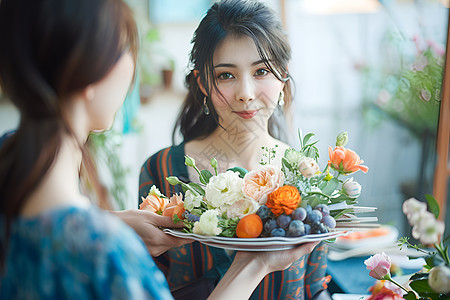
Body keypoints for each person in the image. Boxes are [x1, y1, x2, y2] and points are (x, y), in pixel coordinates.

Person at [0, 0, 319, 299]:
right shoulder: (111, 247)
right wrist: (255, 264)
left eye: (261, 70)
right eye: (123, 48)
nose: (245, 94)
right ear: (91, 72)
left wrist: (114, 221)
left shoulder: (15, 183)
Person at [139, 0, 331, 299]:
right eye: (226, 75)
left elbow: (315, 291)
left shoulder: (308, 175)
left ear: (283, 77)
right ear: (203, 83)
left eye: (261, 71)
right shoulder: (162, 171)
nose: (245, 94)